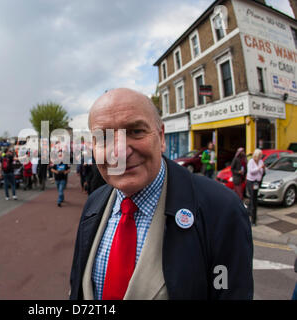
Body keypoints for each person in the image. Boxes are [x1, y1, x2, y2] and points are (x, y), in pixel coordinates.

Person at [69, 88, 253, 300]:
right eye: (104, 137)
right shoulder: (94, 203)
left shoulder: (222, 209)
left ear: (161, 136)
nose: (119, 152)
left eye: (136, 131)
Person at [246, 149, 265, 226]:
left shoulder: (261, 161)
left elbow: (262, 172)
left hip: (257, 182)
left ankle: (250, 212)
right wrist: (260, 167)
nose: (261, 156)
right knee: (253, 199)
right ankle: (253, 219)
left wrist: (262, 169)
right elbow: (251, 171)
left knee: (254, 199)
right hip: (251, 182)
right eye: (260, 155)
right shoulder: (251, 161)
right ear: (257, 155)